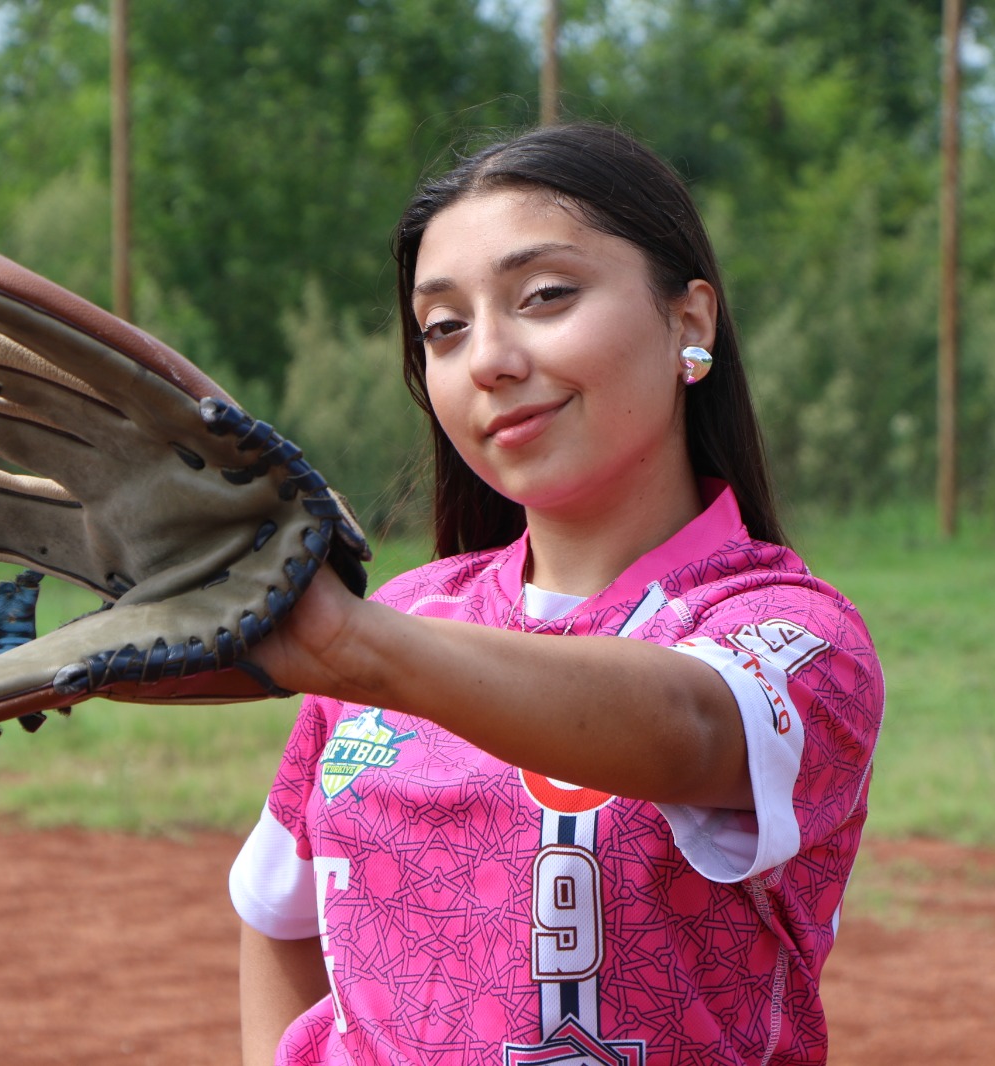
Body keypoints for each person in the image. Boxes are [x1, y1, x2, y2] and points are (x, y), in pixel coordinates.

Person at [231, 123, 885, 1066]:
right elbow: (276, 913)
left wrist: (355, 648)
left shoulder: (796, 633)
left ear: (690, 321)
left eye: (545, 296)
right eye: (444, 327)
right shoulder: (401, 617)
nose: (487, 359)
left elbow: (687, 729)